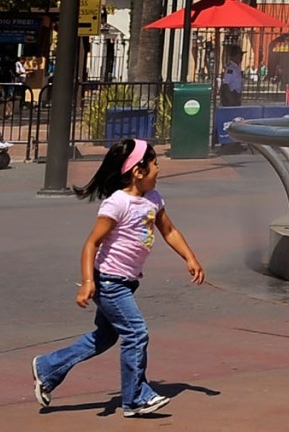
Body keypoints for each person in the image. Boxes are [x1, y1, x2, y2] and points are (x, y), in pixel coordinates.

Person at [32, 137, 204, 417]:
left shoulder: (153, 200)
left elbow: (169, 231)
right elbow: (91, 244)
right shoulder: (117, 204)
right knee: (136, 333)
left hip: (126, 281)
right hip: (109, 282)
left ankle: (47, 368)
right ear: (138, 171)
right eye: (155, 164)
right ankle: (135, 398)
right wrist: (88, 282)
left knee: (105, 338)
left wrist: (190, 257)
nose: (159, 169)